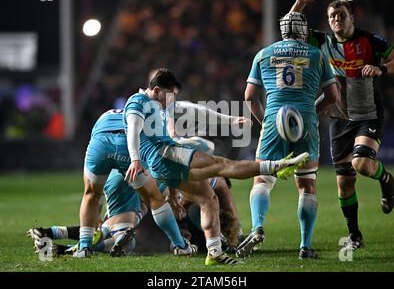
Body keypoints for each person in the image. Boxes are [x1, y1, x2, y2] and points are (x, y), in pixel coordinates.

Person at [123, 68, 309, 265]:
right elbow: (133, 128)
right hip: (165, 155)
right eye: (171, 96)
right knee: (221, 165)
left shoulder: (160, 104)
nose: (173, 101)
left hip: (164, 162)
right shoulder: (139, 101)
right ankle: (277, 166)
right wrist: (135, 159)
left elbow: (198, 111)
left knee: (208, 198)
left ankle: (214, 252)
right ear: (157, 90)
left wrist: (229, 120)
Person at [290, 0, 394, 250]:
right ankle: (355, 235)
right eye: (332, 16)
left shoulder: (371, 42)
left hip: (369, 114)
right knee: (344, 184)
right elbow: (290, 29)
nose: (336, 19)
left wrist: (382, 69)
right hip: (339, 118)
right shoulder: (322, 41)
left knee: (361, 164)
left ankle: (386, 179)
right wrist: (300, 2)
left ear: (351, 17)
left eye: (341, 15)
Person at [237, 10, 338, 259]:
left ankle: (257, 227)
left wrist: (264, 123)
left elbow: (249, 96)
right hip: (305, 119)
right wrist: (312, 112)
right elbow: (334, 97)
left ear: (281, 31)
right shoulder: (318, 54)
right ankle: (305, 246)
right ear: (303, 31)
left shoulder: (264, 54)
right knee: (307, 185)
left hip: (273, 118)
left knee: (262, 180)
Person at [74, 108, 196, 258]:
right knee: (154, 199)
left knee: (90, 194)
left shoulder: (109, 112)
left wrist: (96, 211)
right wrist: (172, 193)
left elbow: (95, 196)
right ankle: (180, 245)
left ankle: (84, 247)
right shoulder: (156, 116)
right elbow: (167, 156)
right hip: (128, 147)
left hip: (100, 143)